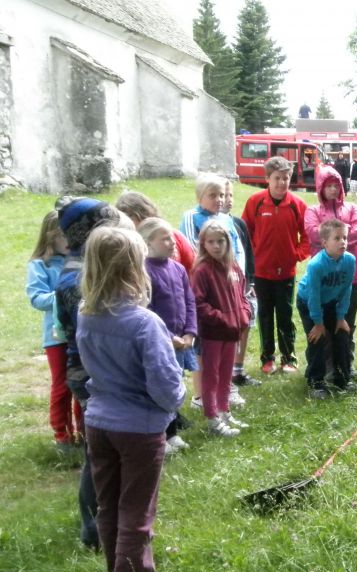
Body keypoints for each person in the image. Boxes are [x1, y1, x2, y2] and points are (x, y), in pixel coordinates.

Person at [75, 226, 184, 572]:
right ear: (133, 270)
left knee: (110, 505)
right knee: (137, 511)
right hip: (138, 429)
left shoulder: (85, 313)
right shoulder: (145, 324)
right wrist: (176, 400)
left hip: (99, 422)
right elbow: (165, 384)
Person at [56, 199, 132, 551]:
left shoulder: (88, 264)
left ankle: (103, 527)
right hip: (90, 372)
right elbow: (95, 327)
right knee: (99, 455)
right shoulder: (75, 277)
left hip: (99, 368)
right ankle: (94, 529)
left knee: (103, 452)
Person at [241, 156, 310, 375]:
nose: (282, 183)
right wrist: (254, 258)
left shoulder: (298, 205)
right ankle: (267, 357)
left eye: (286, 178)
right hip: (261, 273)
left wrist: (296, 255)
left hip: (286, 273)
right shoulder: (256, 202)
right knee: (264, 315)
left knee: (284, 315)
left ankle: (288, 357)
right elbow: (245, 233)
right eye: (277, 178)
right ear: (267, 179)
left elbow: (307, 236)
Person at [138, 218, 197, 454]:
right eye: (165, 238)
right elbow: (146, 309)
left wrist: (190, 332)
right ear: (147, 242)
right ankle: (159, 435)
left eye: (172, 237)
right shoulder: (143, 271)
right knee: (158, 388)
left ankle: (172, 433)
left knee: (175, 384)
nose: (173, 242)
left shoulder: (178, 268)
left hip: (182, 342)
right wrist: (169, 337)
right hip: (161, 343)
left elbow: (189, 301)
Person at [304, 165, 357, 376]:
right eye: (328, 186)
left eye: (336, 185)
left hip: (351, 272)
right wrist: (340, 236)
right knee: (324, 319)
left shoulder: (351, 208)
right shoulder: (313, 211)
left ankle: (347, 361)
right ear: (320, 188)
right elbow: (313, 235)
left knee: (347, 319)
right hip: (324, 276)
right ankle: (328, 363)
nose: (332, 189)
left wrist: (337, 239)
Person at [26, 210, 81, 452]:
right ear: (50, 237)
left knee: (82, 382)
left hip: (79, 332)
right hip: (56, 337)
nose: (69, 241)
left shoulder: (78, 260)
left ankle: (85, 431)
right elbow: (37, 298)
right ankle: (62, 435)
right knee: (62, 385)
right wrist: (63, 296)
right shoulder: (41, 265)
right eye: (63, 236)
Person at [191, 220, 251, 437]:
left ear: (228, 242)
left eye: (221, 241)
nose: (216, 246)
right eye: (211, 242)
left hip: (232, 332)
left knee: (226, 374)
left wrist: (244, 315)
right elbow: (198, 304)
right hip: (212, 333)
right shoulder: (202, 270)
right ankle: (212, 417)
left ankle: (224, 410)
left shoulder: (234, 267)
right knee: (211, 375)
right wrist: (222, 318)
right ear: (203, 244)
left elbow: (243, 296)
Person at [297, 219, 356, 398]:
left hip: (331, 303)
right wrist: (318, 323)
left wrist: (340, 317)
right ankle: (316, 382)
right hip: (309, 303)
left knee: (342, 334)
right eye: (337, 238)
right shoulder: (316, 265)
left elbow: (347, 290)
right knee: (318, 338)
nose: (343, 242)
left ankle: (343, 376)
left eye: (345, 237)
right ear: (324, 243)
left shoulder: (350, 260)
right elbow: (313, 297)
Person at [223, 179, 260, 393]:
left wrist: (251, 281)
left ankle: (238, 369)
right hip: (225, 288)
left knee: (245, 323)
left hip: (244, 285)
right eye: (223, 195)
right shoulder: (211, 225)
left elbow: (248, 252)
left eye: (230, 196)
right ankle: (225, 375)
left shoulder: (238, 223)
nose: (227, 200)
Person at [116, 190, 195, 272]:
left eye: (143, 218)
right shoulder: (123, 249)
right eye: (130, 218)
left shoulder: (175, 237)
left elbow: (192, 269)